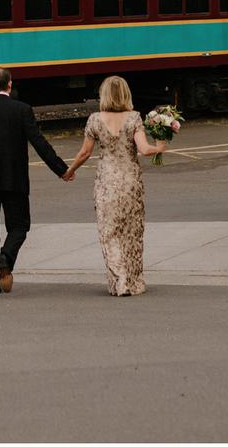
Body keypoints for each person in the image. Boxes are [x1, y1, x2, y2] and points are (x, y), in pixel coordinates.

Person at [0, 67, 73, 294]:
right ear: (10, 84)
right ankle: (6, 255)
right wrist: (61, 169)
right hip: (14, 179)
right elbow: (39, 143)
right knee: (20, 226)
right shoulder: (22, 110)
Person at [62, 75, 165, 296]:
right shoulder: (134, 118)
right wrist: (160, 146)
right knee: (132, 232)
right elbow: (144, 149)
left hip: (106, 183)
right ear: (126, 94)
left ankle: (120, 280)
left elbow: (85, 152)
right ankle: (134, 282)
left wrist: (70, 170)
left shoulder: (94, 120)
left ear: (104, 95)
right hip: (130, 182)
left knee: (109, 232)